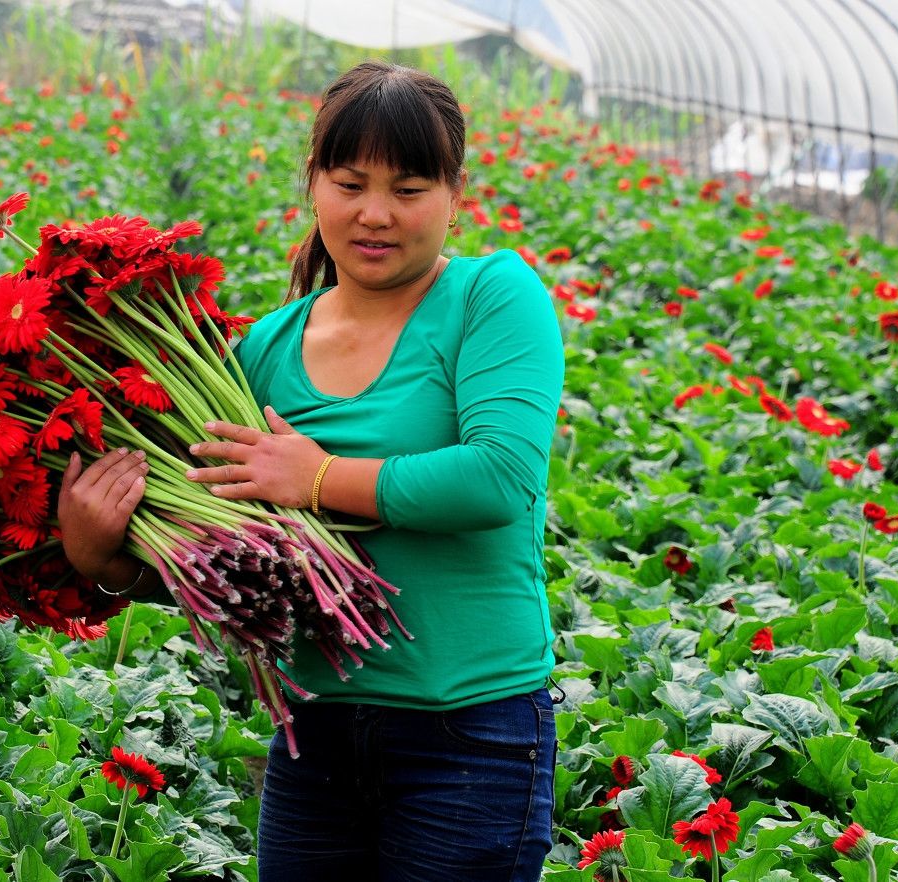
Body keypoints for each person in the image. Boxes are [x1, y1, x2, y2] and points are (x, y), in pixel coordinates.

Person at [57, 60, 565, 881]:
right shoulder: (262, 353)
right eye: (350, 182)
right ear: (314, 184)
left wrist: (319, 476)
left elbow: (499, 479)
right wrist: (105, 561)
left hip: (471, 737)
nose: (375, 214)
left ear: (453, 193)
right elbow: (235, 569)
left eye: (408, 189)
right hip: (315, 738)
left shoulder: (491, 297)